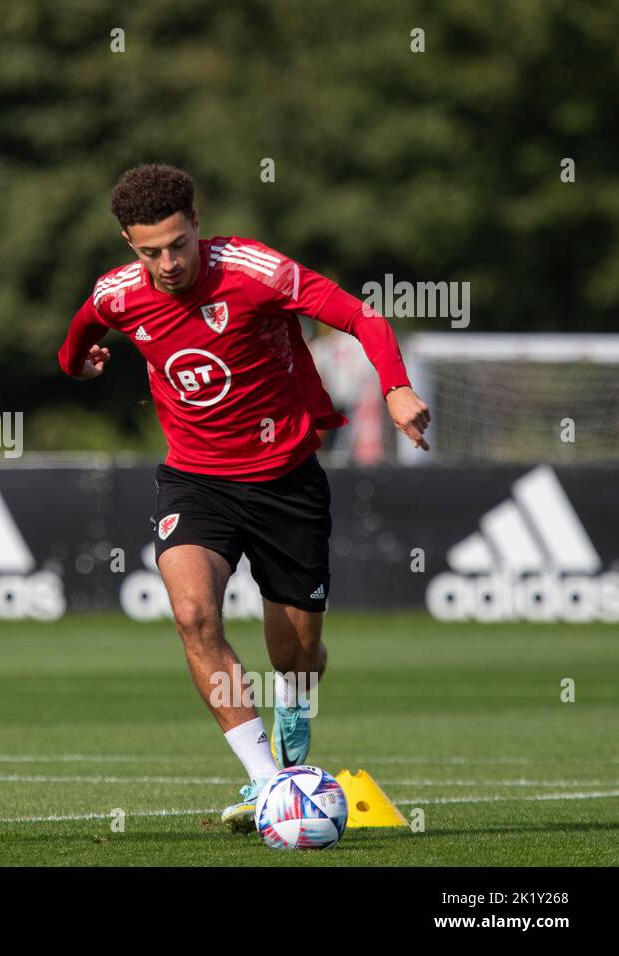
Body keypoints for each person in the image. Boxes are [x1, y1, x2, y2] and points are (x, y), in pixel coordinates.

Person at [57, 164, 430, 831]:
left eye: (178, 244)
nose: (167, 263)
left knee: (296, 655)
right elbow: (79, 334)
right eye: (150, 252)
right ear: (127, 243)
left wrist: (396, 386)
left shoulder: (255, 270)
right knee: (195, 613)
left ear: (197, 225)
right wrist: (78, 363)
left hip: (287, 480)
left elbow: (360, 316)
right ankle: (267, 785)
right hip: (195, 481)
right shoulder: (118, 293)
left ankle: (297, 700)